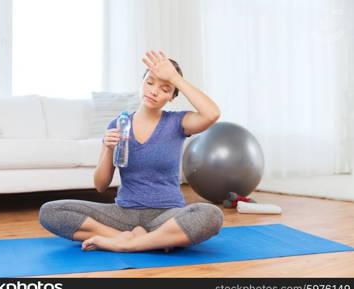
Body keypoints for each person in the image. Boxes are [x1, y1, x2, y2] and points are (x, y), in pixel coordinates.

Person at [39, 50, 223, 253]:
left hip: (166, 216)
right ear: (142, 82)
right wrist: (109, 150)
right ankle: (142, 240)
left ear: (172, 96)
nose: (153, 91)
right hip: (123, 214)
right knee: (51, 211)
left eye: (164, 89)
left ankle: (128, 244)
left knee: (211, 214)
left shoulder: (178, 122)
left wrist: (174, 77)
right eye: (149, 82)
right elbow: (100, 186)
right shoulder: (118, 124)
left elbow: (212, 113)